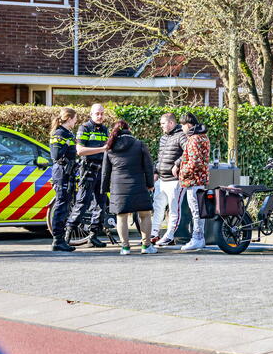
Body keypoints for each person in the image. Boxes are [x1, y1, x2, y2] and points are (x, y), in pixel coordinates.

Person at [101, 120, 157, 255]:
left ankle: (125, 248)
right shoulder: (139, 144)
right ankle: (146, 246)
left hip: (119, 187)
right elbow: (148, 167)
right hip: (138, 184)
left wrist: (105, 189)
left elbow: (105, 171)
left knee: (121, 217)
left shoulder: (110, 147)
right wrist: (150, 184)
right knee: (145, 215)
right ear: (129, 129)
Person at [65, 104, 109, 248]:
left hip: (101, 170)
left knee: (101, 205)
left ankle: (93, 236)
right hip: (88, 169)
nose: (100, 116)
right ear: (91, 114)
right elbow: (80, 150)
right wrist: (102, 149)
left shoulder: (105, 130)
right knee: (82, 202)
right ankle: (67, 237)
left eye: (102, 113)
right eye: (97, 113)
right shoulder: (85, 128)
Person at [177, 112, 210, 251]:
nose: (182, 128)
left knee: (195, 210)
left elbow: (194, 162)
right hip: (199, 179)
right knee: (198, 210)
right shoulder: (203, 137)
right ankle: (199, 238)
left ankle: (197, 238)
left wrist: (182, 173)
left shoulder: (194, 139)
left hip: (193, 180)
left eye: (182, 125)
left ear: (188, 125)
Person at [154, 113, 187, 247]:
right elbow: (160, 157)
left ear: (171, 123)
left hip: (175, 180)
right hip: (161, 179)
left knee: (174, 209)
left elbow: (188, 152)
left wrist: (177, 164)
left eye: (163, 123)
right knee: (158, 207)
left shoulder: (181, 136)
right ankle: (154, 233)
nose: (161, 126)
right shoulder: (163, 138)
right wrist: (155, 171)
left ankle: (169, 235)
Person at [49, 107, 79, 252]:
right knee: (61, 206)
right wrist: (67, 144)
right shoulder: (60, 133)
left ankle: (61, 240)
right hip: (62, 173)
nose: (76, 121)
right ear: (69, 118)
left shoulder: (67, 133)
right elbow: (56, 155)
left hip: (68, 173)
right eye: (75, 119)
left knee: (65, 205)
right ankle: (57, 240)